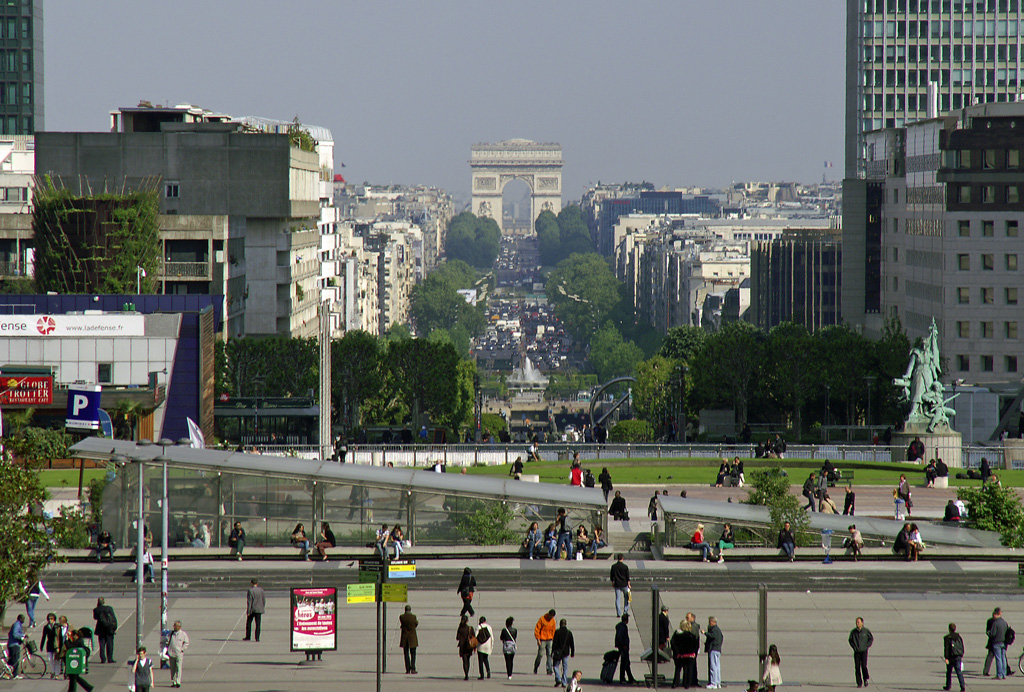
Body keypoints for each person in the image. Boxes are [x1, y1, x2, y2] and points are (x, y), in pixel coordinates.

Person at [670, 619, 698, 688]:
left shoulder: (677, 635)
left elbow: (673, 643)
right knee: (688, 669)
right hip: (690, 655)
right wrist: (694, 652)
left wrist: (677, 651)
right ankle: (687, 683)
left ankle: (675, 683)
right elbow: (696, 645)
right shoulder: (692, 636)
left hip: (680, 655)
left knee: (678, 669)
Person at [65, 628, 94, 692]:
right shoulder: (79, 640)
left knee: (74, 676)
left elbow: (70, 647)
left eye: (72, 635)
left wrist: (66, 640)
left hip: (77, 660)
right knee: (73, 676)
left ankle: (88, 687)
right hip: (76, 659)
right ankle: (73, 689)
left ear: (76, 635)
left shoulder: (79, 641)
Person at [848, 617, 873, 688]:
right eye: (856, 622)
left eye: (858, 622)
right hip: (857, 652)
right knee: (857, 667)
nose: (857, 623)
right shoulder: (853, 632)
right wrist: (854, 647)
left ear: (862, 623)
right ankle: (859, 682)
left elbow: (871, 639)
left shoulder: (866, 631)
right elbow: (850, 640)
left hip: (864, 651)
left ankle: (865, 678)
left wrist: (866, 646)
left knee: (864, 666)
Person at [92, 597, 117, 663]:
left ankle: (103, 658)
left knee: (102, 644)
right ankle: (110, 658)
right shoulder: (109, 608)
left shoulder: (96, 610)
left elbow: (95, 618)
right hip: (109, 629)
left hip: (100, 629)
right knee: (110, 644)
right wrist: (114, 628)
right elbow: (114, 618)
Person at [551, 618, 575, 687]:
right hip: (566, 653)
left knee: (555, 666)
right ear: (566, 624)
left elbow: (554, 643)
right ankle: (564, 682)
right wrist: (572, 652)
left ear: (560, 624)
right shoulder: (569, 633)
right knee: (565, 667)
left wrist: (552, 651)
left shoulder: (557, 632)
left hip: (558, 652)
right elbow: (572, 644)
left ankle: (558, 678)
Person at [987, 607, 1009, 679]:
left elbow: (993, 633)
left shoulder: (995, 623)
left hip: (997, 642)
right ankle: (1004, 674)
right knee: (1003, 658)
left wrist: (989, 633)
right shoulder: (1004, 622)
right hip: (1003, 642)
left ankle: (999, 674)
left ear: (996, 614)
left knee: (998, 659)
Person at [615, 614, 638, 684]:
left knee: (626, 663)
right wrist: (623, 645)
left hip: (623, 647)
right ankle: (622, 678)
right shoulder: (623, 627)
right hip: (624, 647)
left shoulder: (620, 626)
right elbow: (620, 636)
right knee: (624, 663)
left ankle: (630, 678)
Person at [943, 622, 966, 692]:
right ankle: (962, 686)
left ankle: (948, 686)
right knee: (958, 671)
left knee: (949, 672)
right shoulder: (959, 637)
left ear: (949, 629)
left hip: (951, 657)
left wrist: (946, 657)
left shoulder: (947, 637)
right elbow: (962, 646)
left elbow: (946, 648)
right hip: (958, 656)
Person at [167, 620, 189, 688]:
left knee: (178, 668)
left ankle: (178, 681)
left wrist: (182, 649)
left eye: (175, 626)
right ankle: (173, 681)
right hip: (171, 653)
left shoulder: (183, 634)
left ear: (179, 626)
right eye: (174, 625)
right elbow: (167, 640)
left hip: (179, 653)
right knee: (172, 668)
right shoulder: (171, 633)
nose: (174, 627)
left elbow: (186, 642)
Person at [533, 609, 556, 676]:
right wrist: (538, 639)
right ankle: (536, 666)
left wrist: (554, 640)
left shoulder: (553, 621)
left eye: (552, 617)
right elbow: (537, 629)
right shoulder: (542, 619)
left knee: (549, 655)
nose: (551, 618)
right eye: (550, 616)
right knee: (540, 654)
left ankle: (549, 669)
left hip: (550, 639)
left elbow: (553, 631)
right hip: (542, 639)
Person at [40, 612, 60, 679]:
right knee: (50, 659)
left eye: (52, 619)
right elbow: (44, 637)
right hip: (49, 644)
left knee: (56, 660)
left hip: (56, 645)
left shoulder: (57, 626)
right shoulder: (46, 627)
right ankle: (52, 671)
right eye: (49, 619)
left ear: (54, 619)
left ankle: (57, 673)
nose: (50, 620)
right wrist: (41, 646)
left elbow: (60, 636)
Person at [705, 616, 723, 689]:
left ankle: (713, 683)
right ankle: (718, 682)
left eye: (709, 622)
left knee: (713, 667)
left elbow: (712, 636)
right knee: (717, 666)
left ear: (713, 622)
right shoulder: (718, 630)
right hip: (718, 649)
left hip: (714, 649)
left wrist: (705, 633)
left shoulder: (714, 629)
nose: (709, 624)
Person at [399, 605, 418, 674]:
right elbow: (416, 624)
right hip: (412, 637)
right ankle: (413, 668)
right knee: (413, 653)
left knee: (406, 654)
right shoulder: (413, 617)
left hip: (405, 637)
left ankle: (407, 669)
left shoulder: (402, 617)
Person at [456, 615, 474, 681]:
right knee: (468, 660)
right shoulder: (470, 628)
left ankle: (466, 674)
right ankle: (467, 673)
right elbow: (473, 636)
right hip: (469, 646)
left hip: (462, 646)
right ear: (467, 621)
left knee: (464, 661)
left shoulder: (460, 628)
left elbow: (457, 638)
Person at [7, 614, 25, 678]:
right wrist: (22, 635)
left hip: (13, 644)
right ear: (20, 619)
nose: (24, 620)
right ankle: (15, 674)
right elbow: (15, 634)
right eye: (23, 619)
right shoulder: (17, 625)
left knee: (12, 659)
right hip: (14, 644)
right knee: (15, 660)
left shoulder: (17, 624)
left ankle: (8, 673)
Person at [476, 615, 493, 679]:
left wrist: (474, 646)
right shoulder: (489, 627)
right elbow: (492, 637)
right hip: (487, 646)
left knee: (480, 661)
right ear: (485, 621)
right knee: (485, 659)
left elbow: (475, 636)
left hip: (480, 646)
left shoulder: (478, 627)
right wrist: (491, 646)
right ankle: (488, 671)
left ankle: (482, 675)